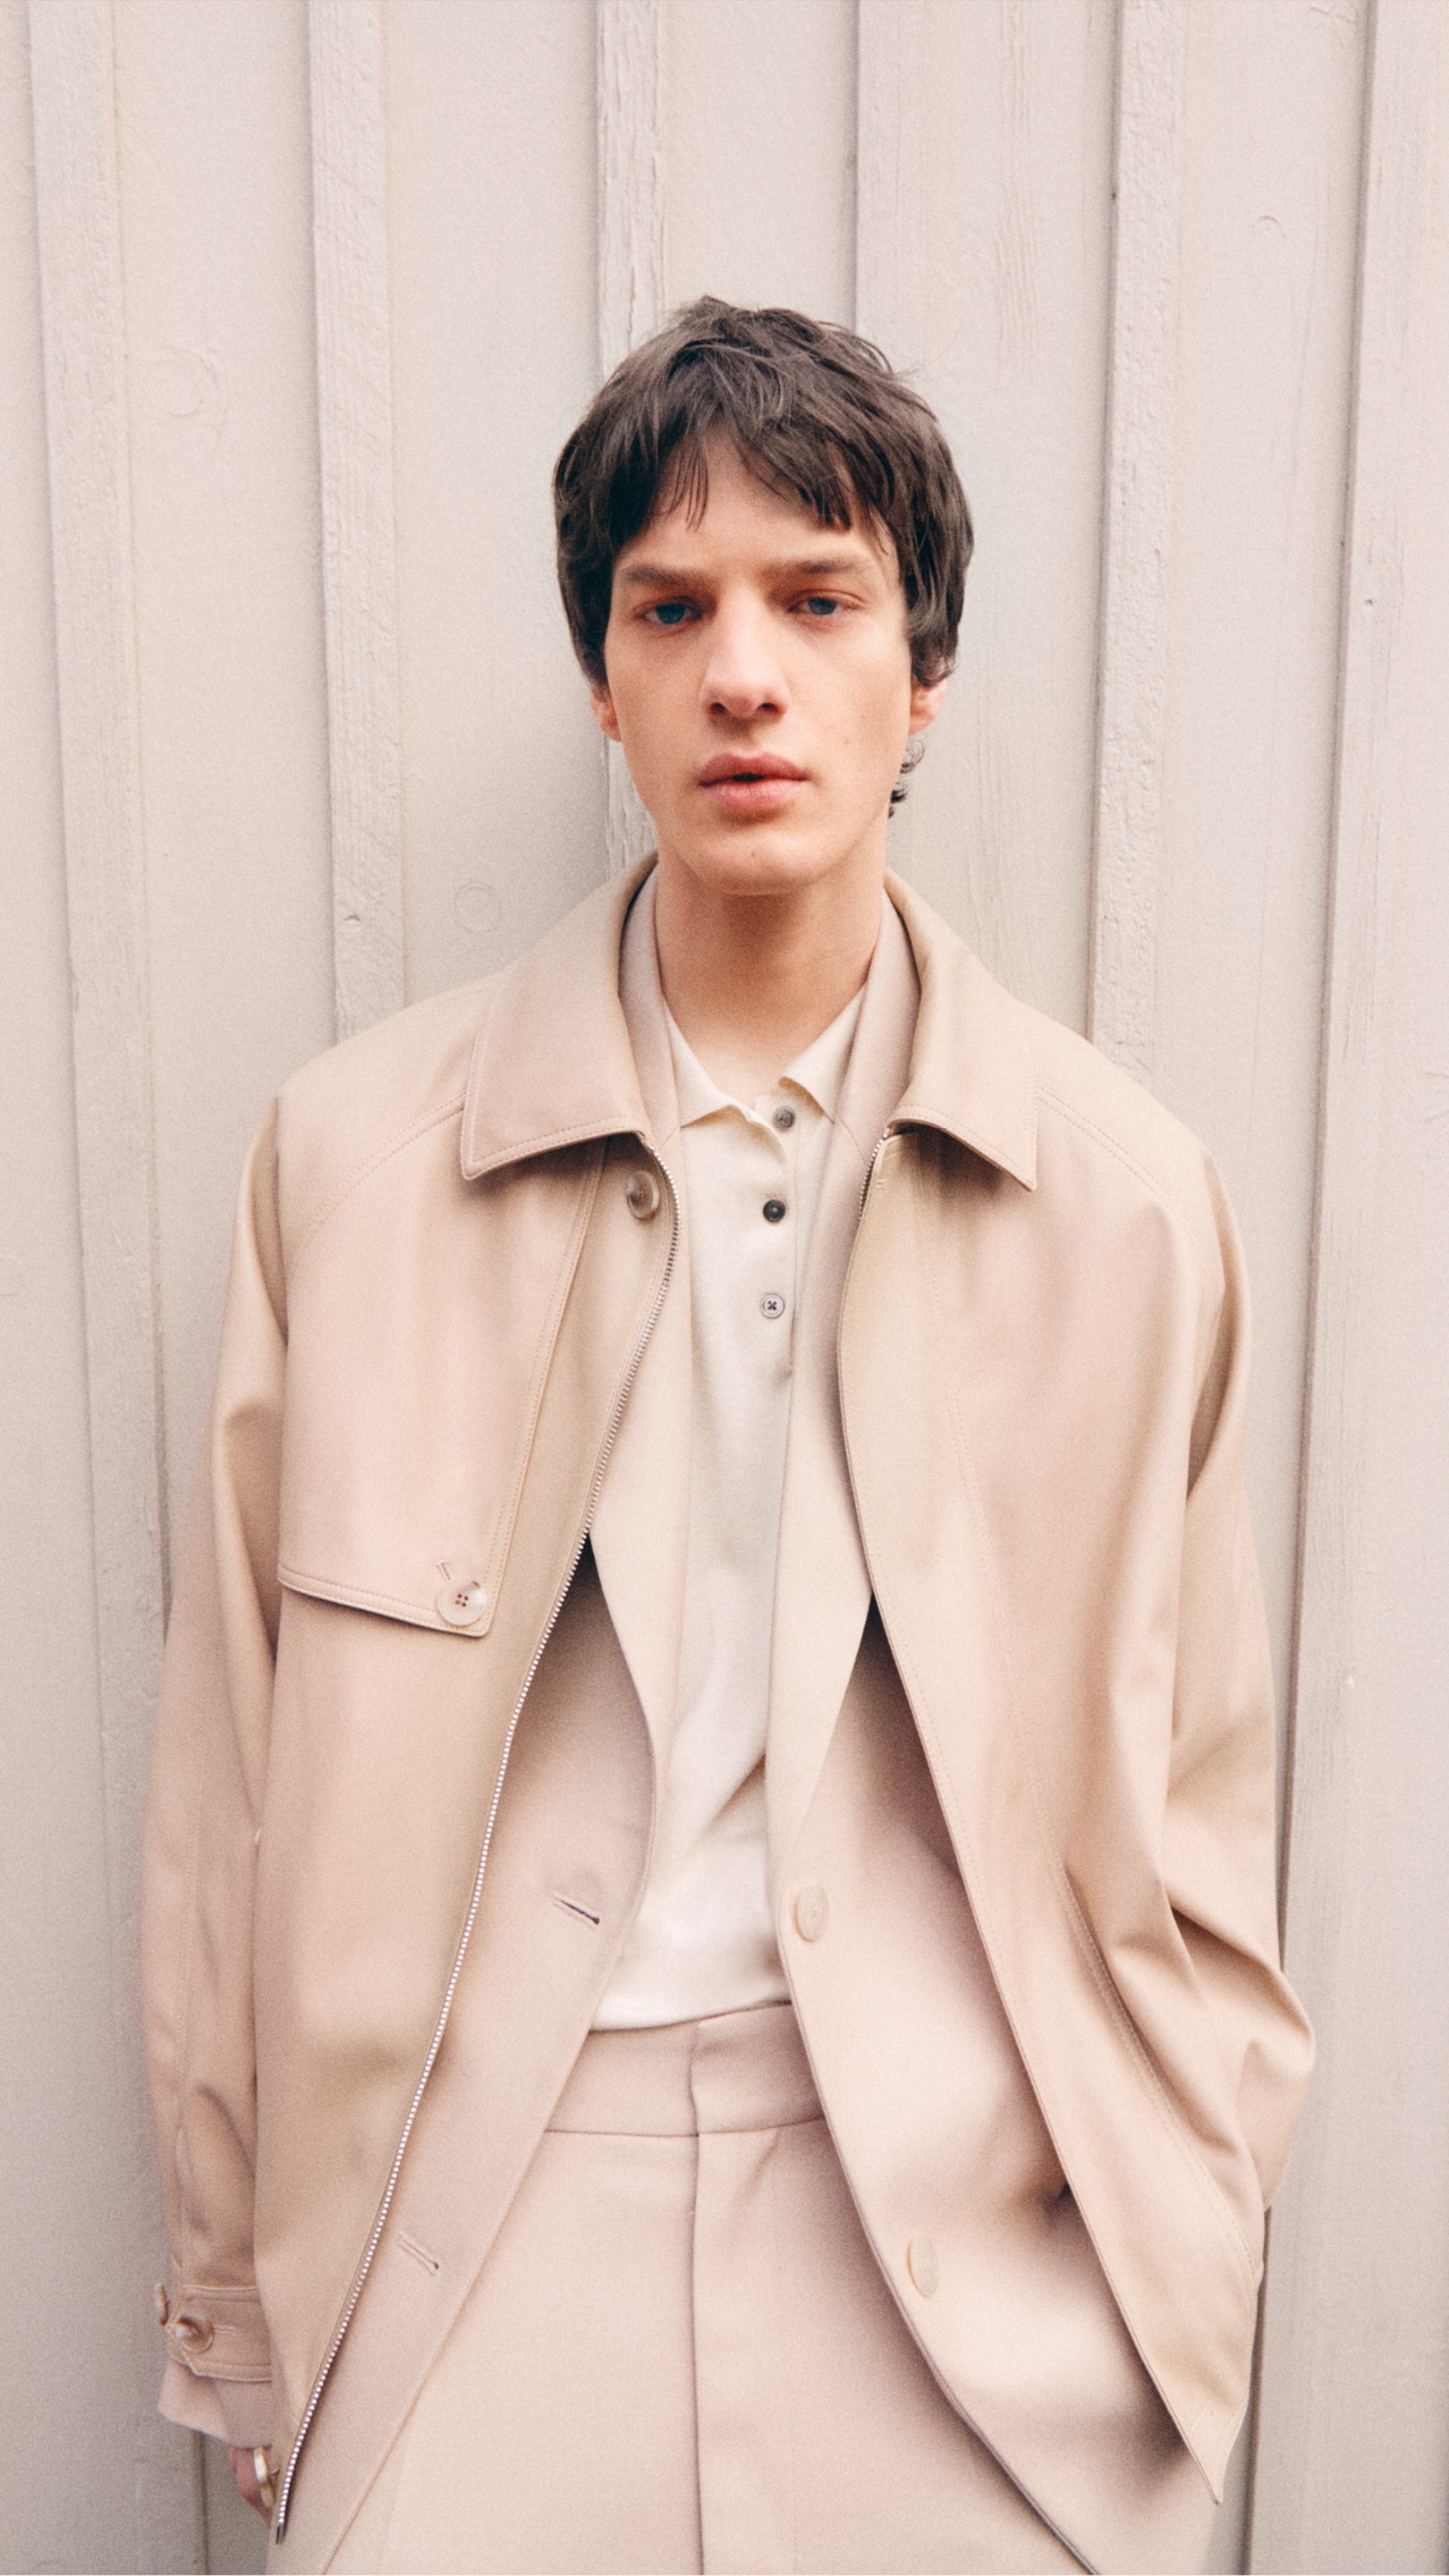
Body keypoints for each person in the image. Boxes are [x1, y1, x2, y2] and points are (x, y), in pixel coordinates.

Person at [142, 298, 1312, 2575]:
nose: (743, 675)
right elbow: (234, 1795)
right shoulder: (356, 1168)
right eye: (670, 610)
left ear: (921, 671)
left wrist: (1181, 2249)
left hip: (975, 2272)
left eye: (818, 599)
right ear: (603, 676)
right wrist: (245, 2312)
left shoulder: (1123, 1199)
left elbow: (1205, 1808)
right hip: (468, 2236)